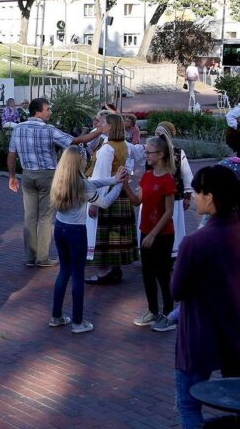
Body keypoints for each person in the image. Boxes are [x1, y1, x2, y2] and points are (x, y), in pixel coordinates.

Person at [172, 165, 240, 429]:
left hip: (203, 331)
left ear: (210, 196)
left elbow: (177, 290)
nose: (193, 198)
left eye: (196, 192)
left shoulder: (195, 242)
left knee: (189, 403)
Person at [8, 97, 103, 267]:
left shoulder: (18, 129)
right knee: (45, 217)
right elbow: (75, 141)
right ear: (38, 111)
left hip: (28, 175)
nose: (50, 112)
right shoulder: (49, 130)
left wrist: (12, 176)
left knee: (30, 216)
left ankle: (30, 257)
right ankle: (43, 257)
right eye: (47, 109)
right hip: (47, 176)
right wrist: (99, 131)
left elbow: (11, 154)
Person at [49, 146, 127, 333]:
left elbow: (93, 183)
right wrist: (119, 185)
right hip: (76, 232)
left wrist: (112, 179)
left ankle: (56, 316)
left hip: (59, 228)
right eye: (84, 157)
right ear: (79, 162)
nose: (87, 159)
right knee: (77, 276)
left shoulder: (61, 179)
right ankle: (77, 322)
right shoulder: (82, 185)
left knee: (64, 272)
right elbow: (105, 202)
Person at [125, 135, 176, 331]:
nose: (146, 155)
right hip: (145, 231)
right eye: (145, 151)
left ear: (160, 154)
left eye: (149, 152)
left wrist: (154, 234)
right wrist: (125, 185)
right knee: (147, 273)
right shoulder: (147, 176)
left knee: (162, 274)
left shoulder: (167, 179)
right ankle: (153, 311)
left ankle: (169, 314)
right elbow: (137, 200)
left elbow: (169, 212)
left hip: (162, 235)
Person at [84, 113, 141, 284]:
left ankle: (104, 272)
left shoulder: (107, 148)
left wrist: (95, 202)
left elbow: (100, 176)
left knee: (105, 233)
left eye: (103, 122)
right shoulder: (126, 145)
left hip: (106, 193)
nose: (100, 123)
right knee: (116, 232)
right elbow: (135, 160)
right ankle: (115, 269)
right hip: (120, 192)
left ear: (111, 126)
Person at [148, 122, 194, 258]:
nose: (157, 136)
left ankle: (171, 253)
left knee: (172, 224)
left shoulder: (178, 153)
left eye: (160, 133)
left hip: (174, 198)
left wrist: (187, 195)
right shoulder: (150, 153)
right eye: (156, 133)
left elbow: (186, 175)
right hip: (153, 198)